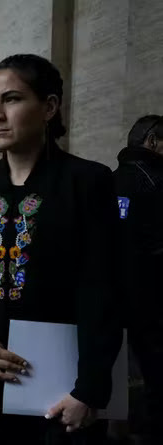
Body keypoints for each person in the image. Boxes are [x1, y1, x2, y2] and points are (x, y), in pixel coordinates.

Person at [0, 54, 122, 445]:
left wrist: (89, 389)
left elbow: (103, 290)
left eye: (12, 99)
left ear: (49, 107)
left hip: (59, 385)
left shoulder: (87, 182)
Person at [113, 115, 163, 445]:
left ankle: (116, 427)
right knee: (156, 365)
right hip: (152, 291)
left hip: (114, 289)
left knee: (115, 362)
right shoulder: (157, 179)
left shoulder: (112, 178)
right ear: (153, 142)